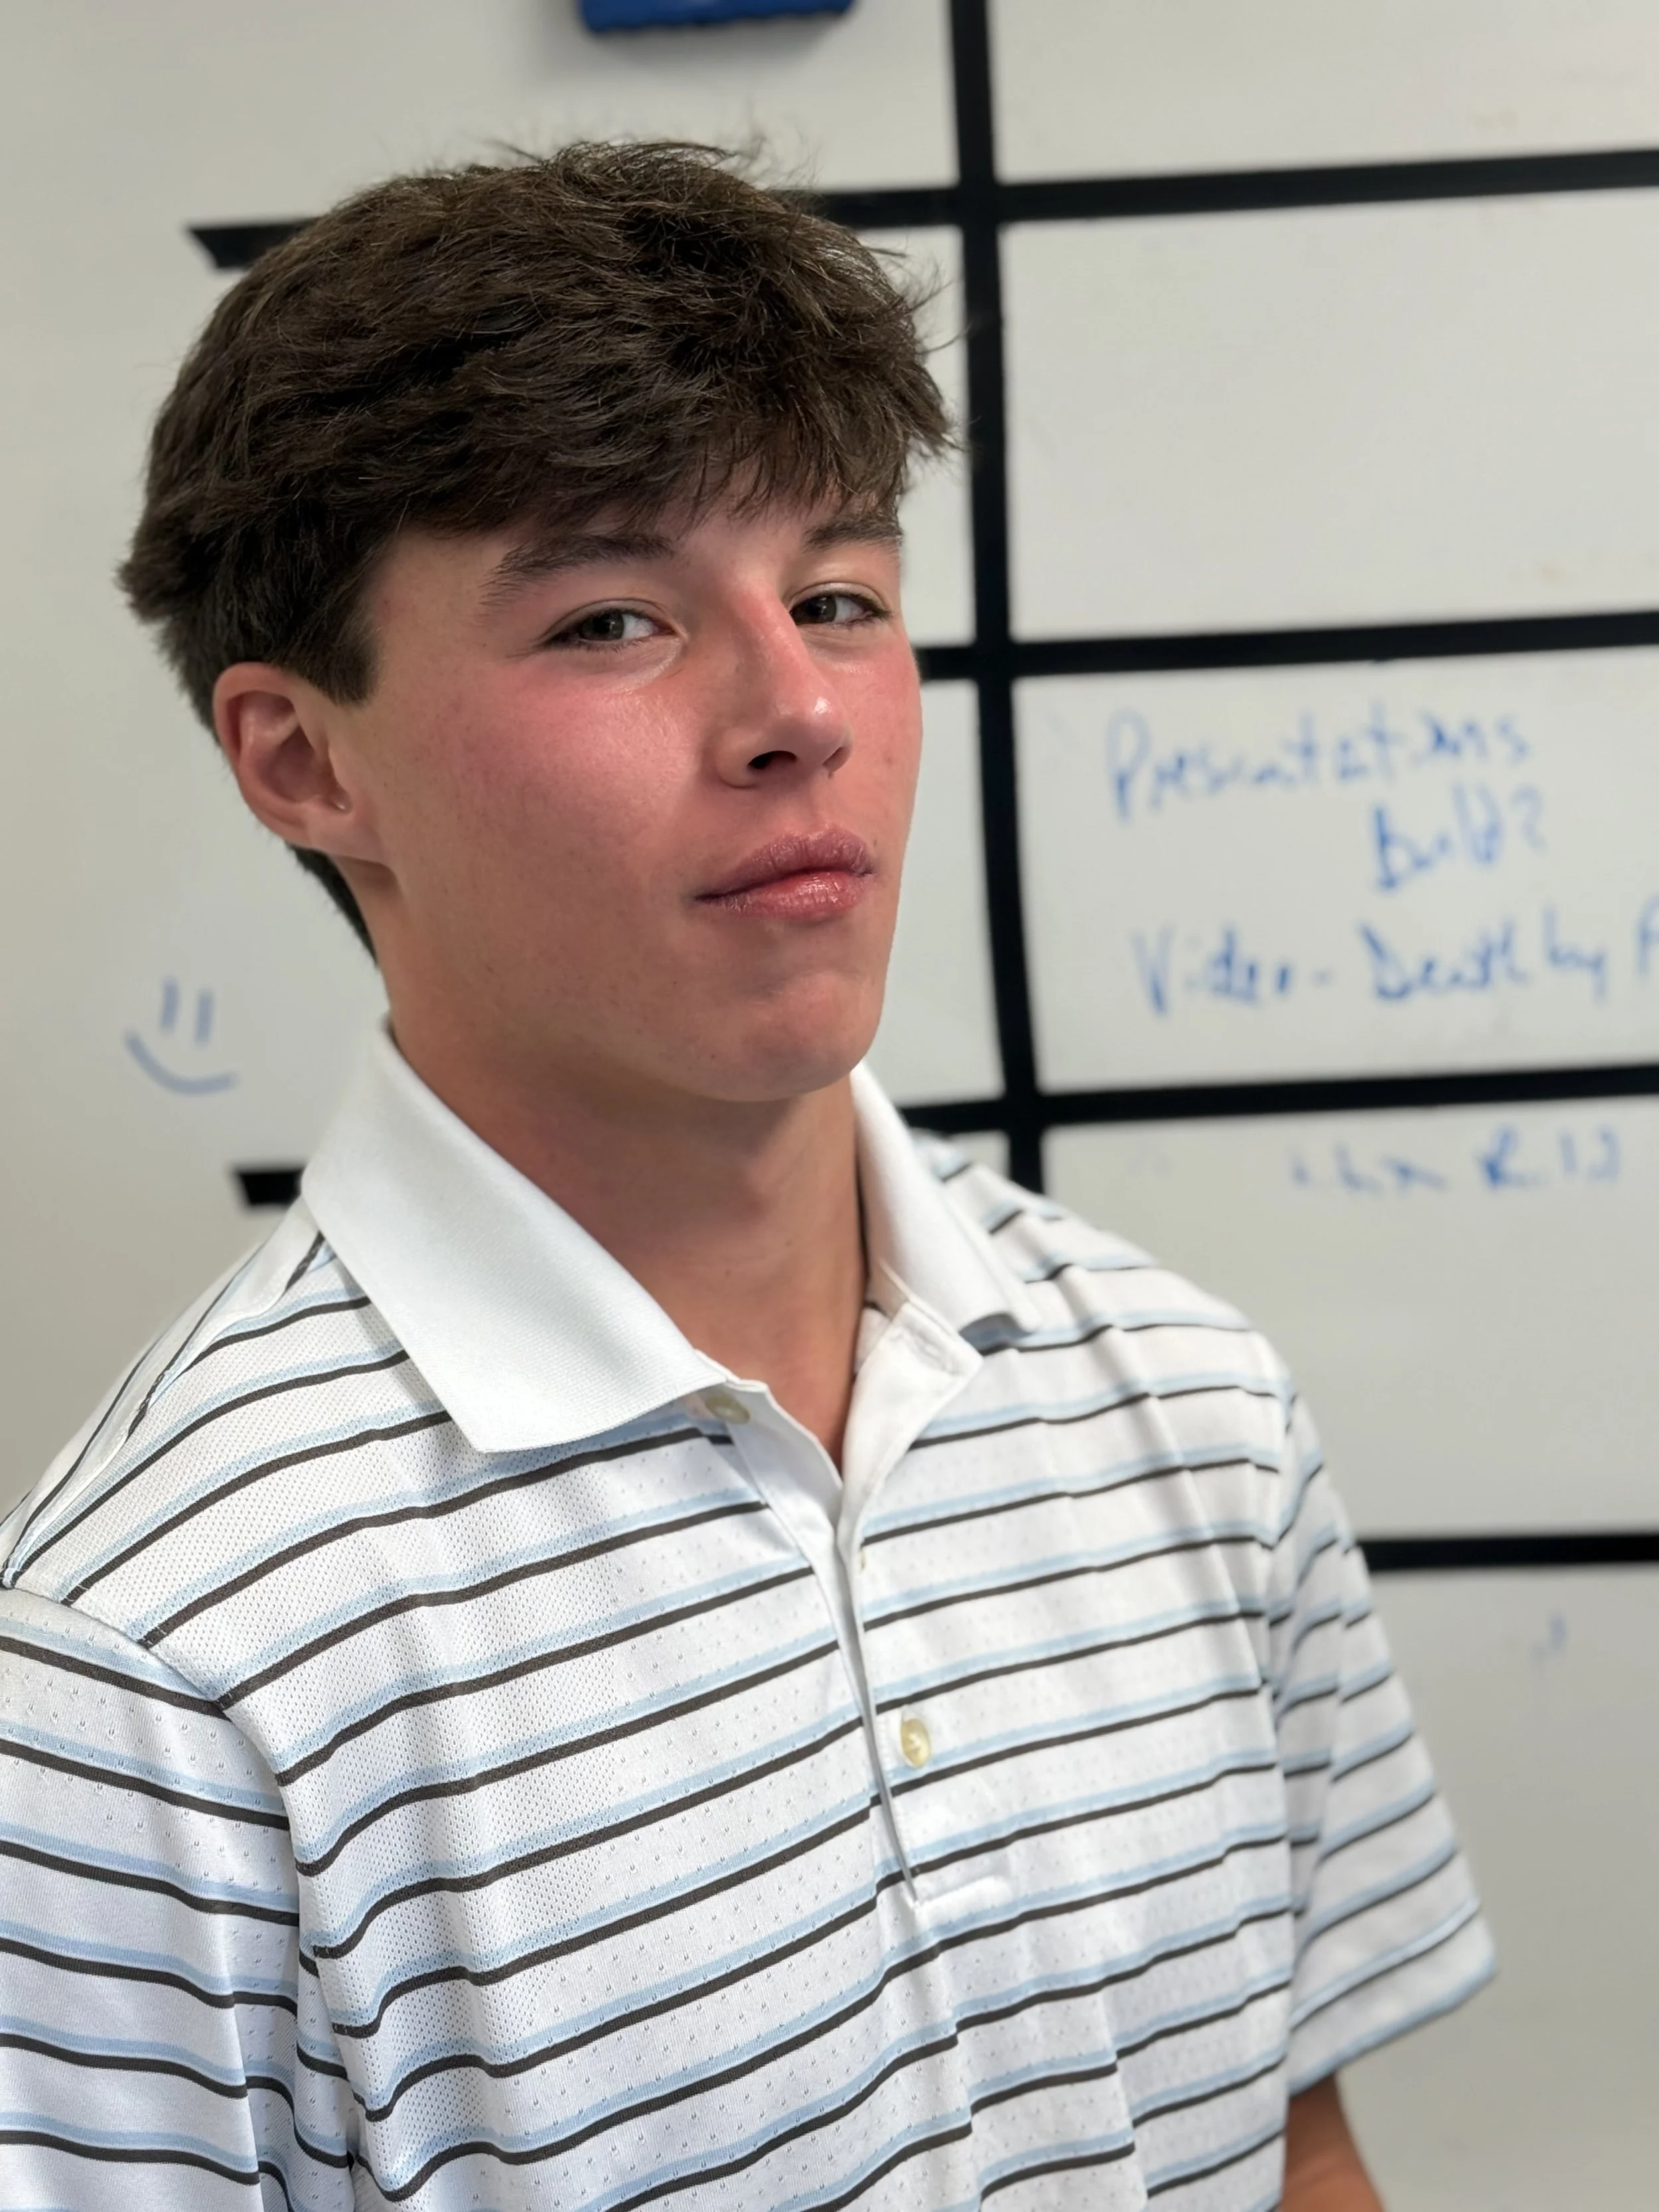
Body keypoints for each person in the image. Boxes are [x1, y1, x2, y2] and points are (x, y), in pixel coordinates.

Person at [0, 145, 1491, 2211]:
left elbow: (1290, 2144)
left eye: (837, 596)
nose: (795, 708)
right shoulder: (142, 1675)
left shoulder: (1186, 1399)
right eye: (612, 614)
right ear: (300, 759)